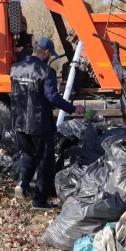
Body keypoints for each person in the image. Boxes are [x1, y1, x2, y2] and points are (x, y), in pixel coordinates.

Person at [10, 38, 83, 209]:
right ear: (47, 53)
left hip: (18, 121)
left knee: (28, 154)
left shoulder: (15, 68)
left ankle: (22, 184)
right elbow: (52, 97)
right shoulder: (45, 71)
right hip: (38, 123)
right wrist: (73, 109)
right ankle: (39, 201)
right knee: (44, 160)